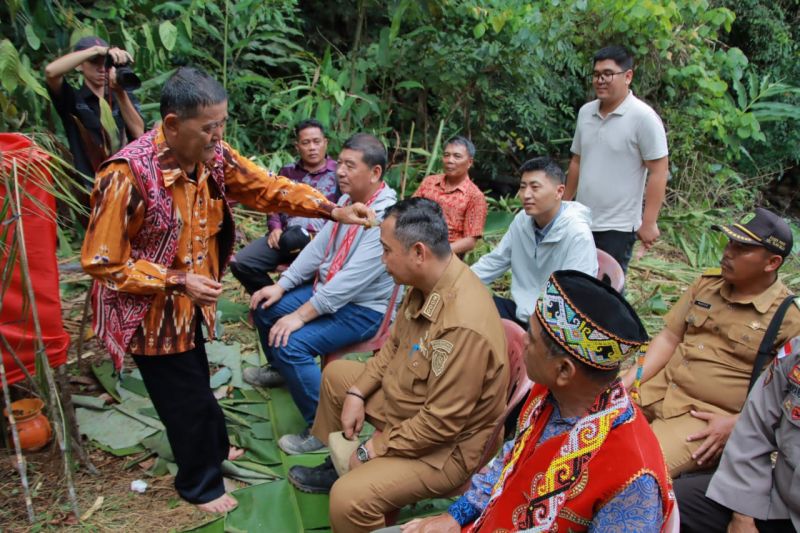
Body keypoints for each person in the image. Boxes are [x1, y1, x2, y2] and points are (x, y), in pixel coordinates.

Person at [80, 67, 372, 514]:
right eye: (209, 128)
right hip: (150, 314)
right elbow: (101, 261)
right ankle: (200, 485)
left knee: (197, 379)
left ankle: (212, 451)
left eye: (222, 125)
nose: (219, 137)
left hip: (192, 306)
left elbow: (266, 187)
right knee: (185, 398)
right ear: (173, 125)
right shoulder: (126, 175)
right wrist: (176, 279)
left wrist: (332, 209)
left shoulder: (212, 156)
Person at [283, 197, 509, 533]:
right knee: (337, 377)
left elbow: (440, 425)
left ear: (419, 253)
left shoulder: (462, 326)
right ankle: (336, 466)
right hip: (410, 400)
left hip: (446, 449)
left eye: (387, 250)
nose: (382, 259)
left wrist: (372, 447)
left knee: (349, 499)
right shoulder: (424, 283)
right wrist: (358, 393)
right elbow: (393, 348)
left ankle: (357, 485)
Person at [400, 270, 674, 533]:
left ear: (564, 371)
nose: (523, 341)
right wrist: (455, 515)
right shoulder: (546, 395)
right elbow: (510, 463)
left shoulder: (633, 477)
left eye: (530, 338)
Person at [622, 207, 800, 478]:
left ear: (772, 263)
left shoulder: (788, 318)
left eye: (742, 248)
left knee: (634, 470)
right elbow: (669, 338)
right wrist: (630, 379)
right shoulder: (707, 284)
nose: (728, 252)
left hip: (703, 417)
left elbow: (786, 397)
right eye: (730, 242)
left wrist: (736, 425)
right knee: (583, 432)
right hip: (654, 389)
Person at [243, 133, 396, 445]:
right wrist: (282, 286)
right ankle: (282, 371)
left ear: (375, 172)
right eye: (339, 163)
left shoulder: (384, 217)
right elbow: (317, 249)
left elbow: (349, 283)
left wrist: (300, 316)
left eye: (349, 166)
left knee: (290, 343)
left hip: (362, 309)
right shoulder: (345, 202)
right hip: (328, 293)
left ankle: (322, 429)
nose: (339, 171)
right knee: (264, 306)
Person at [674, 336, 800, 533]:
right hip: (783, 503)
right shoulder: (795, 355)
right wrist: (743, 514)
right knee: (668, 504)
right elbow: (754, 429)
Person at [565, 44, 669, 272]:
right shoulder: (586, 113)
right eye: (596, 75)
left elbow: (659, 171)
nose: (600, 80)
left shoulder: (643, 118)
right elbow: (577, 161)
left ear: (628, 76)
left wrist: (649, 222)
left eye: (608, 74)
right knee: (572, 282)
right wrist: (563, 205)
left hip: (617, 227)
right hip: (580, 219)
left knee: (606, 291)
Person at [471, 156, 597, 327]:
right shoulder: (522, 220)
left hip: (554, 325)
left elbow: (576, 296)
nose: (526, 195)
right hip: (520, 311)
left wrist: (539, 331)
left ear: (559, 192)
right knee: (468, 306)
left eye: (535, 187)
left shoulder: (577, 234)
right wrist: (455, 283)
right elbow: (495, 261)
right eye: (523, 187)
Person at [230, 119, 340, 294]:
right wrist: (275, 227)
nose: (312, 147)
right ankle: (271, 300)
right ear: (297, 147)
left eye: (316, 141)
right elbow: (274, 203)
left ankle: (287, 303)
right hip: (285, 237)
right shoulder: (288, 171)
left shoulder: (339, 173)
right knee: (241, 262)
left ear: (325, 143)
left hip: (321, 243)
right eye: (306, 143)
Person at [44, 36, 145, 182]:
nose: (101, 68)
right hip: (88, 189)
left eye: (105, 62)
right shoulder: (73, 99)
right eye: (93, 62)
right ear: (79, 65)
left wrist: (120, 93)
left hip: (123, 187)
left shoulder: (122, 96)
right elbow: (50, 72)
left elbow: (139, 133)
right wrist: (96, 51)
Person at [412, 136, 487, 255]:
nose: (449, 160)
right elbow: (410, 209)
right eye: (446, 155)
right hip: (414, 246)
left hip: (446, 257)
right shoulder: (429, 182)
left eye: (457, 156)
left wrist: (437, 253)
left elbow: (470, 240)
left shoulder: (475, 196)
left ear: (469, 162)